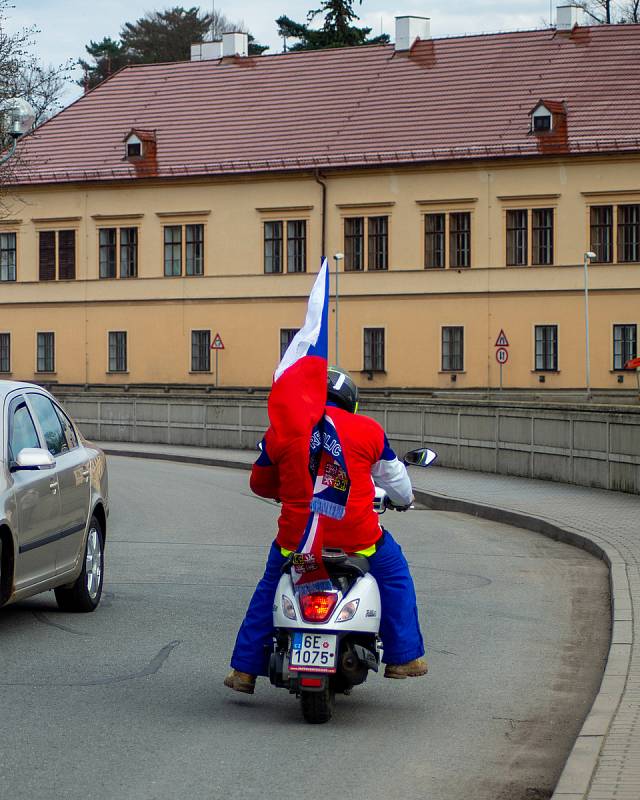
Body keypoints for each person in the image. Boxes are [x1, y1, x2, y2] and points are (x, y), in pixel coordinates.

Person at [224, 367, 427, 694]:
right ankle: (404, 657)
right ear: (352, 403)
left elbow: (259, 483)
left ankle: (245, 670)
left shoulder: (282, 430)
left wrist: (288, 487)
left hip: (298, 543)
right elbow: (397, 483)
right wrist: (405, 500)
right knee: (395, 574)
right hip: (358, 542)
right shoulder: (369, 430)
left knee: (269, 587)